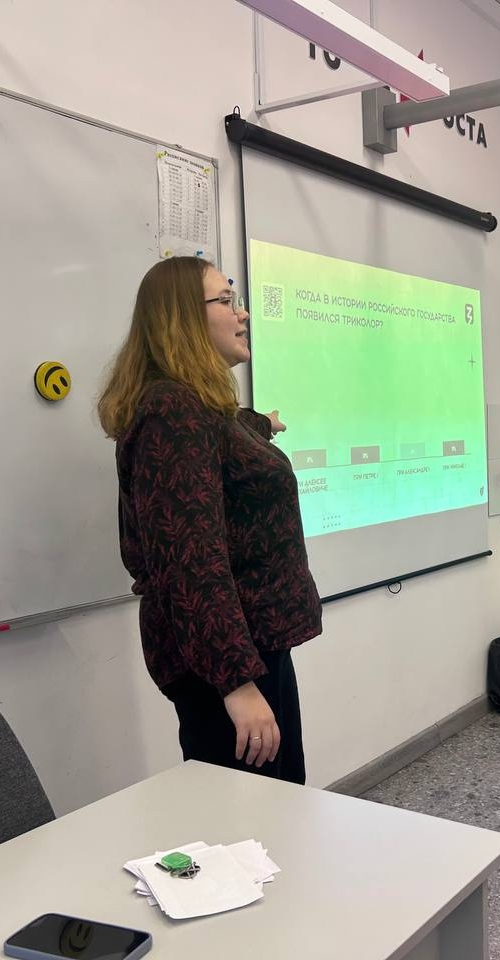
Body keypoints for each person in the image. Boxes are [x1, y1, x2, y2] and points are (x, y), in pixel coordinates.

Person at [97, 256, 322, 784]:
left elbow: (223, 440)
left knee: (281, 805)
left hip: (249, 646)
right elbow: (189, 561)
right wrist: (236, 683)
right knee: (249, 818)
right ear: (182, 318)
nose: (242, 314)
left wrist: (261, 423)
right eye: (226, 300)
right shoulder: (171, 413)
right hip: (226, 661)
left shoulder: (197, 409)